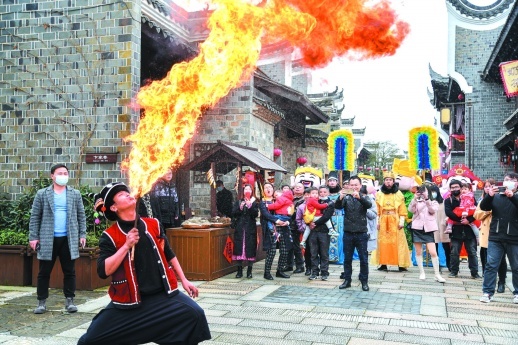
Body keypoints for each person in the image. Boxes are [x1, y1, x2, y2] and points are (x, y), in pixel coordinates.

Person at [78, 182, 210, 344]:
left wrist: (184, 280)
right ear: (113, 208)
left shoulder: (153, 224)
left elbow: (168, 254)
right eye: (121, 195)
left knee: (194, 315)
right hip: (129, 304)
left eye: (127, 192)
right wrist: (126, 246)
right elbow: (103, 271)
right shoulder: (110, 236)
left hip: (162, 296)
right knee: (90, 340)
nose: (127, 194)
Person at [29, 164, 87, 314]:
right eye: (60, 173)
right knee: (44, 272)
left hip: (69, 238)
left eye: (65, 173)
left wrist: (82, 235)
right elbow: (35, 216)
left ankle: (70, 301)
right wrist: (33, 237)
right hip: (48, 238)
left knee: (69, 271)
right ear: (52, 176)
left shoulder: (75, 194)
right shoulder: (42, 194)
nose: (63, 175)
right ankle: (41, 302)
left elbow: (81, 215)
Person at [479, 172, 518, 304]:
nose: (510, 182)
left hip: (514, 238)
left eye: (513, 180)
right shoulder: (496, 195)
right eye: (507, 180)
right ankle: (487, 292)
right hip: (495, 236)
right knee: (491, 265)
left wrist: (512, 197)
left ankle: (517, 292)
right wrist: (489, 196)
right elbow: (483, 206)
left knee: (516, 266)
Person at [334, 176, 372, 291]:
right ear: (348, 185)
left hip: (361, 232)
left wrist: (359, 197)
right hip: (348, 232)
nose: (354, 187)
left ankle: (364, 281)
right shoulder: (346, 197)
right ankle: (347, 280)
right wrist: (340, 198)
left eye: (356, 185)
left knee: (363, 259)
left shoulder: (365, 197)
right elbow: (337, 206)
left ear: (360, 186)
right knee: (347, 258)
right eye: (352, 185)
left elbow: (368, 205)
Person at [371, 171, 410, 271]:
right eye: (386, 180)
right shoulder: (379, 194)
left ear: (393, 181)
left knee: (398, 242)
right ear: (384, 181)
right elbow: (377, 210)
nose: (388, 182)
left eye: (390, 180)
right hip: (383, 219)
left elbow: (402, 209)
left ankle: (401, 264)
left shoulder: (398, 194)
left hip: (395, 219)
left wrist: (401, 221)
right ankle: (383, 263)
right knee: (383, 242)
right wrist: (377, 222)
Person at [474, 178, 508, 293]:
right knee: (486, 259)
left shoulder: (502, 199)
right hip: (486, 232)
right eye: (487, 186)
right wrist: (488, 211)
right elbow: (477, 215)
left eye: (492, 186)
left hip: (499, 233)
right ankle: (487, 282)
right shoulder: (483, 200)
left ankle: (502, 281)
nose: (489, 188)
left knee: (501, 260)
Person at [408, 185, 446, 283]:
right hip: (417, 228)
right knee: (418, 252)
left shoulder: (433, 202)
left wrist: (427, 199)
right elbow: (411, 211)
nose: (421, 192)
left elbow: (432, 210)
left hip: (428, 229)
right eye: (420, 191)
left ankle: (437, 274)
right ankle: (421, 272)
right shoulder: (417, 201)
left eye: (423, 191)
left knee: (433, 252)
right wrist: (414, 199)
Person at [444, 179, 480, 279]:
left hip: (469, 229)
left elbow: (476, 210)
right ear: (450, 189)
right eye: (452, 187)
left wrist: (468, 220)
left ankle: (474, 272)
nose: (454, 189)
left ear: (461, 187)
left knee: (472, 252)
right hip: (456, 229)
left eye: (456, 187)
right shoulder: (448, 200)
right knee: (454, 251)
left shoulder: (470, 197)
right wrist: (460, 220)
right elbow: (448, 213)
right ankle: (454, 271)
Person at [259, 182, 291, 280]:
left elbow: (288, 211)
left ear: (273, 189)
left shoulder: (278, 199)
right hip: (270, 229)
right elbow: (265, 214)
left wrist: (287, 222)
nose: (268, 189)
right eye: (266, 187)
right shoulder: (262, 202)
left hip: (283, 227)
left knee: (285, 250)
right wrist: (277, 220)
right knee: (271, 251)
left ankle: (280, 270)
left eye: (270, 187)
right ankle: (267, 272)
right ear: (263, 191)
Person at [307, 186, 335, 281]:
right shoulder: (314, 201)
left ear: (328, 193)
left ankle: (324, 272)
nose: (322, 194)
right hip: (313, 231)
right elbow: (307, 213)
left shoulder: (330, 203)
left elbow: (326, 217)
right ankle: (314, 271)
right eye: (321, 192)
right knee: (313, 253)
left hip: (324, 231)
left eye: (324, 192)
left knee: (324, 253)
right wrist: (308, 222)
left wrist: (315, 223)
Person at [232, 184, 259, 279]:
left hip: (250, 228)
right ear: (243, 191)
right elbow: (233, 213)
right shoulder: (239, 201)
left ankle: (249, 271)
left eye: (249, 189)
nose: (247, 190)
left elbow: (255, 214)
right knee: (239, 248)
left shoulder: (255, 202)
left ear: (252, 191)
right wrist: (240, 208)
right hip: (240, 228)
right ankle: (239, 271)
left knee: (250, 248)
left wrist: (250, 206)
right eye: (246, 189)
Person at [285, 182, 306, 274]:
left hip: (296, 225)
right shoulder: (290, 199)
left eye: (300, 187)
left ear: (303, 190)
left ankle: (300, 266)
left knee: (296, 246)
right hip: (288, 224)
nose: (297, 188)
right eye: (296, 187)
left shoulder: (304, 200)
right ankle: (289, 265)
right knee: (288, 246)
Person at [327, 172, 345, 266]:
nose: (332, 183)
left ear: (337, 182)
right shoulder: (325, 193)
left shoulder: (341, 193)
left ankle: (339, 259)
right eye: (330, 181)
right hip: (328, 219)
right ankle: (329, 258)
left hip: (339, 218)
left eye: (334, 181)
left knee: (339, 238)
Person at [295, 188, 313, 275]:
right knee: (307, 250)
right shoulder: (301, 206)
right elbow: (298, 219)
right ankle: (308, 267)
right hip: (305, 230)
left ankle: (316, 268)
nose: (307, 196)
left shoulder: (317, 205)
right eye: (305, 194)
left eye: (309, 194)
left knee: (316, 250)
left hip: (316, 230)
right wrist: (302, 227)